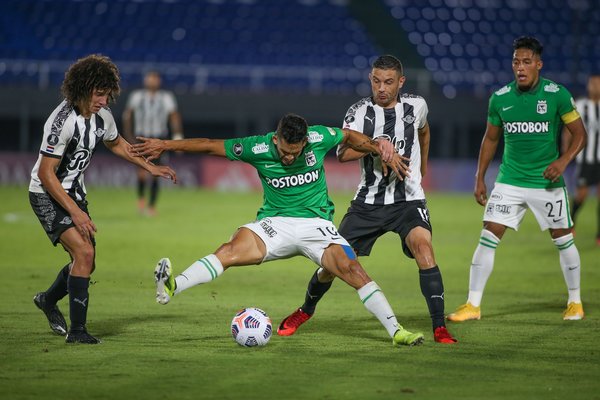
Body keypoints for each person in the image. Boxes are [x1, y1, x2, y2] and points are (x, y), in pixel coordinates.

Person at [132, 113, 426, 346]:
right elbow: (210, 144)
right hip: (274, 224)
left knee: (354, 270)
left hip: (317, 226)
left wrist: (376, 146)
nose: (289, 158)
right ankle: (172, 287)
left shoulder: (318, 137)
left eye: (295, 153)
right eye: (285, 152)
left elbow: (348, 135)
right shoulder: (257, 147)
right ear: (276, 140)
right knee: (228, 251)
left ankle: (397, 331)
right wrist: (165, 145)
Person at [276, 55, 457, 344]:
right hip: (367, 204)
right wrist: (377, 148)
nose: (381, 88)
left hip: (408, 200)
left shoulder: (417, 106)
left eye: (388, 82)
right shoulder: (359, 113)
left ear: (401, 82)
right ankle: (305, 310)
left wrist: (423, 167)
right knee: (331, 265)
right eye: (375, 81)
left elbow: (423, 130)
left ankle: (439, 327)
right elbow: (342, 154)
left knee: (424, 250)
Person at [29, 55, 177, 344]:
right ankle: (78, 332)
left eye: (108, 94)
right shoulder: (62, 122)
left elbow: (118, 144)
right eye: (99, 94)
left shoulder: (102, 116)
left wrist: (151, 167)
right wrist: (76, 213)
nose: (104, 100)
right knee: (84, 254)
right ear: (82, 89)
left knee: (86, 261)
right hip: (46, 194)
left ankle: (47, 300)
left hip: (73, 193)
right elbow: (47, 174)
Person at [447, 36, 587, 323]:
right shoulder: (500, 98)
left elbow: (580, 134)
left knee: (563, 240)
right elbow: (490, 139)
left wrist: (562, 161)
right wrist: (480, 178)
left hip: (546, 183)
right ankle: (473, 305)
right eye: (515, 62)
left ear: (538, 64)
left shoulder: (557, 94)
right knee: (488, 236)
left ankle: (575, 301)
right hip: (509, 181)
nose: (520, 68)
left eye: (526, 62)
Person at [122, 70, 183, 216]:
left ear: (159, 81)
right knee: (141, 172)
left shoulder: (166, 97)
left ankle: (151, 206)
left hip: (158, 139)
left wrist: (177, 136)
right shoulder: (136, 96)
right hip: (141, 138)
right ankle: (141, 199)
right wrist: (128, 136)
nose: (152, 81)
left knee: (157, 172)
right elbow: (127, 116)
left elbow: (174, 116)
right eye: (150, 79)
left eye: (154, 79)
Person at [565, 75, 600, 245]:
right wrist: (566, 152)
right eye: (593, 83)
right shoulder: (579, 105)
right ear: (588, 86)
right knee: (582, 195)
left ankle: (599, 235)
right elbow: (567, 131)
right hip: (585, 160)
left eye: (598, 83)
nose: (595, 86)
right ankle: (571, 223)